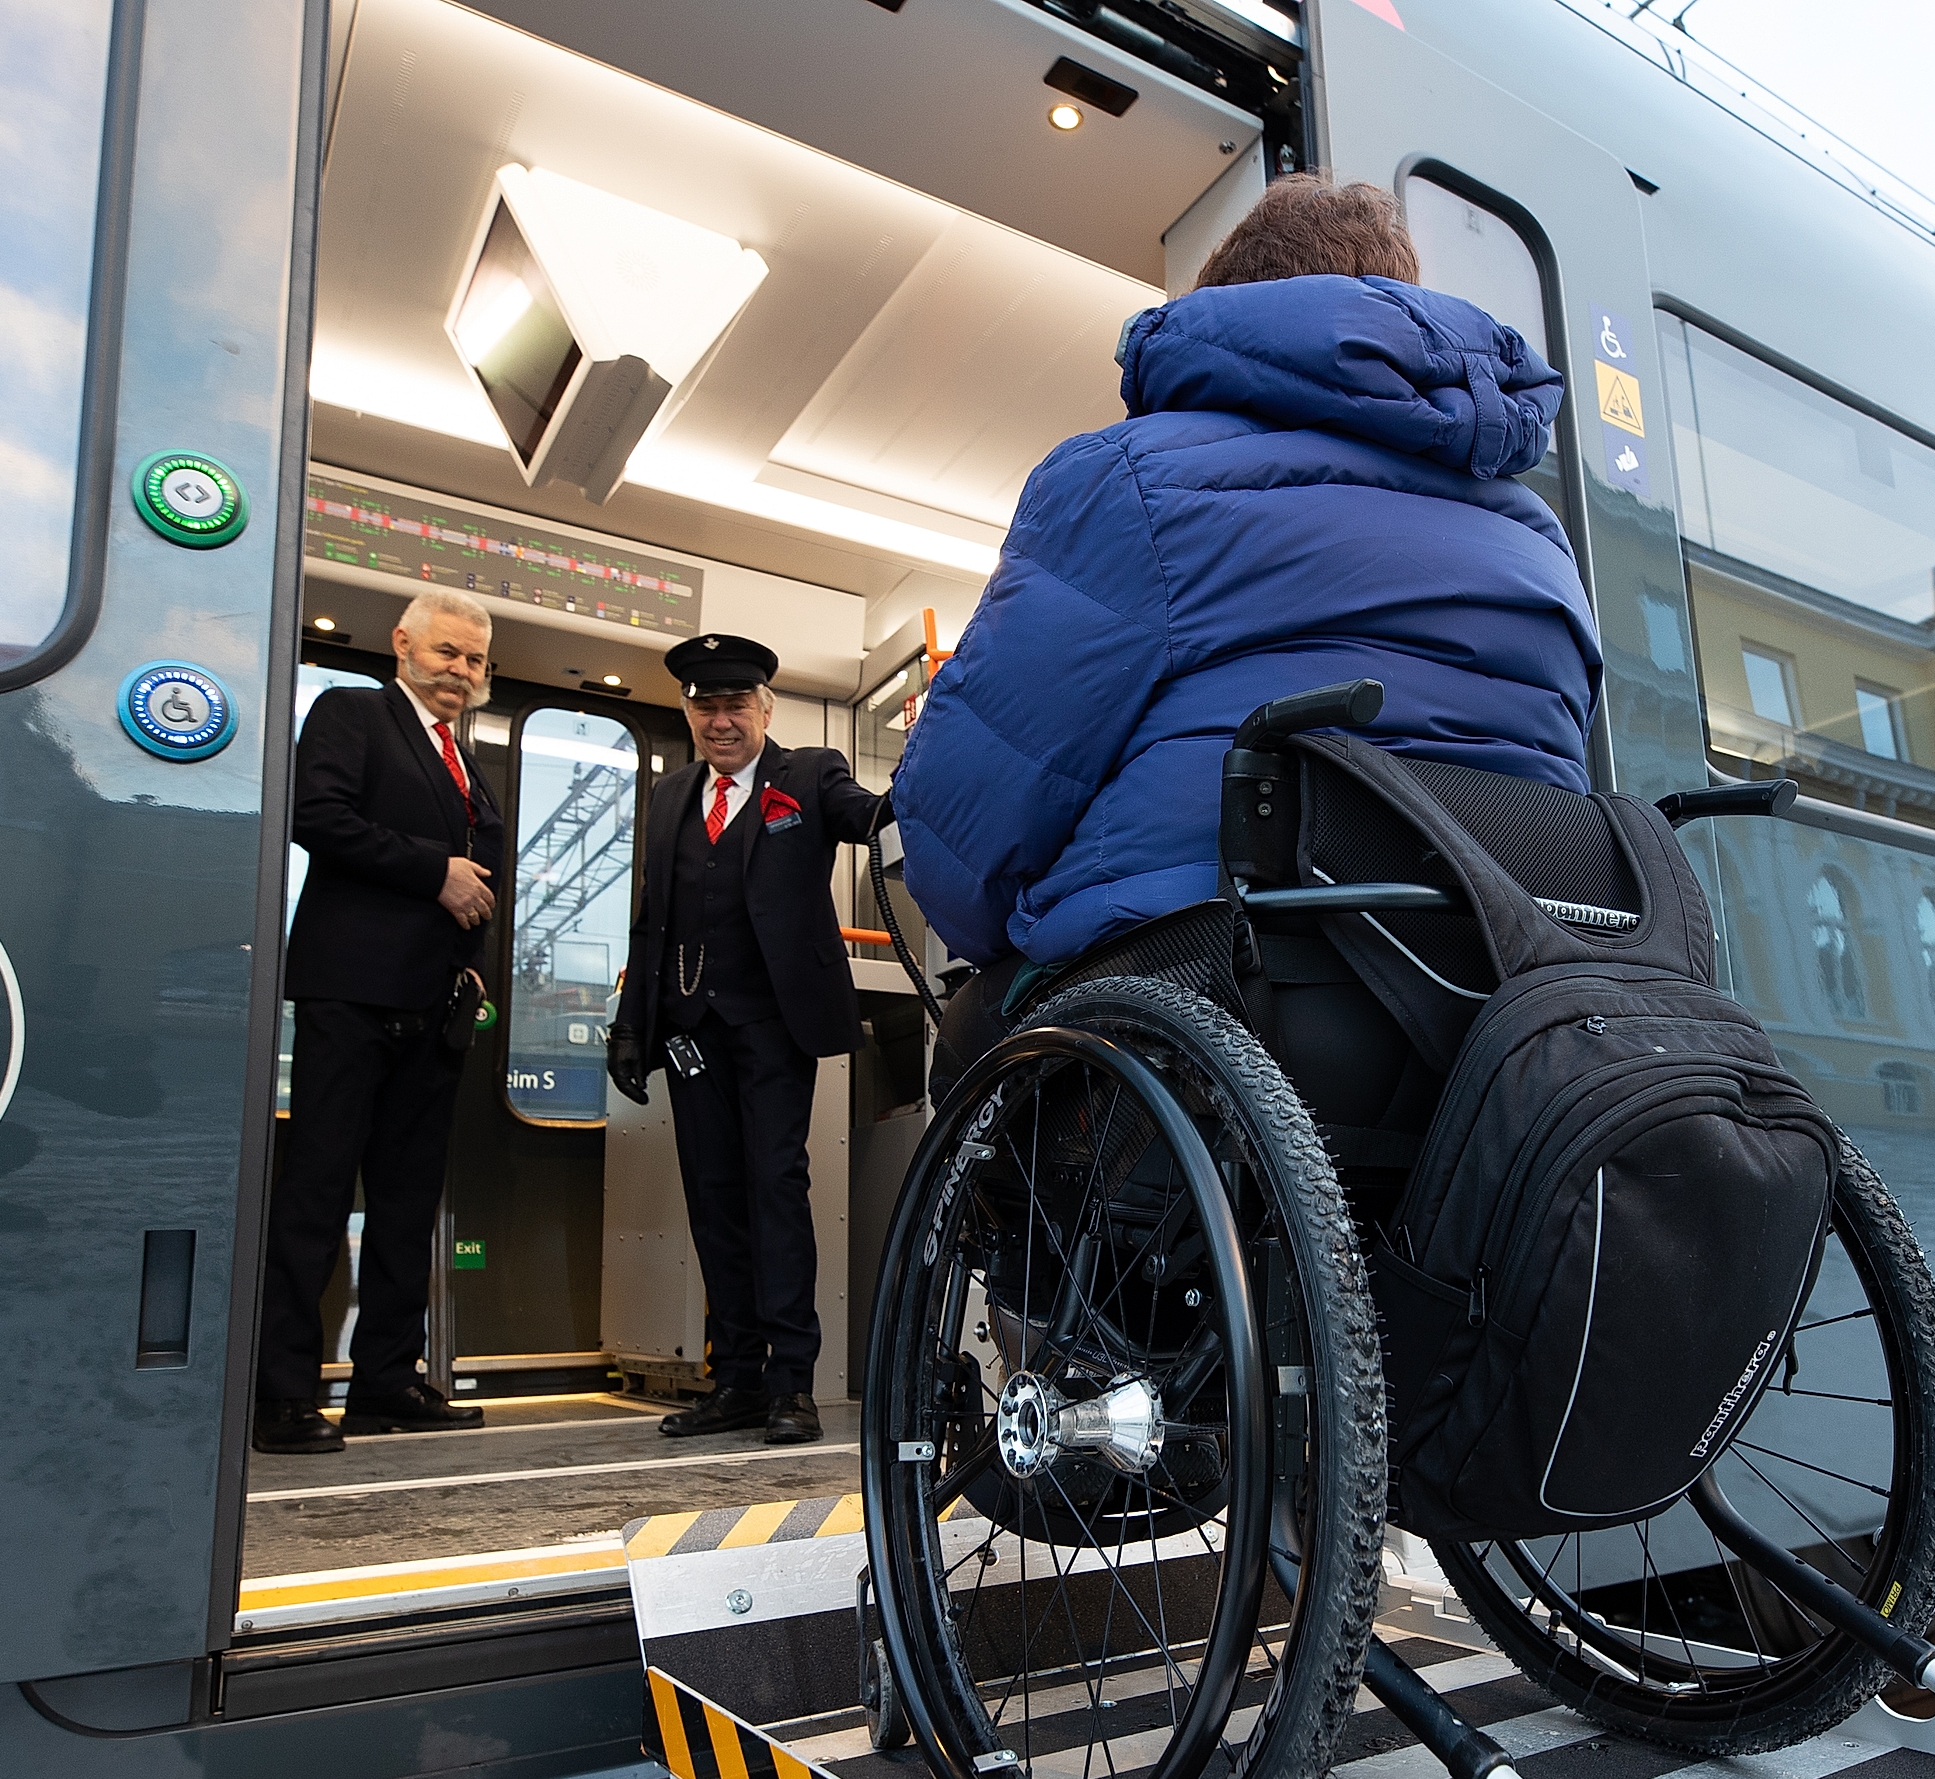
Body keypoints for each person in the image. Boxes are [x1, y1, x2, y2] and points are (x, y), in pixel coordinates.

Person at [887, 171, 1600, 1029]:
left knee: (966, 1034)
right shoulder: (1542, 545)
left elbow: (962, 836)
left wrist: (992, 930)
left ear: (1227, 311)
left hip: (1213, 1006)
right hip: (1495, 1021)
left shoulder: (1130, 483)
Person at [606, 633, 892, 1446]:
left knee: (774, 1188)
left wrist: (926, 783)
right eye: (705, 704)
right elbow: (651, 919)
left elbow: (868, 817)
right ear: (687, 711)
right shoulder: (669, 796)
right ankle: (733, 1377)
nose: (719, 720)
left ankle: (790, 1383)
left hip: (773, 1025)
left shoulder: (809, 775)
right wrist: (634, 1028)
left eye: (735, 705)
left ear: (766, 709)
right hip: (690, 1031)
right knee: (714, 1199)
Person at [253, 590, 509, 1456]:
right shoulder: (351, 714)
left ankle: (386, 1381)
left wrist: (474, 969)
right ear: (402, 643)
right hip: (351, 994)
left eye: (474, 660)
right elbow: (315, 818)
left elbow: (489, 880)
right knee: (316, 1196)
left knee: (406, 1204)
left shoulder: (469, 762)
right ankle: (282, 1393)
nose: (460, 671)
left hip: (436, 1008)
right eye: (447, 652)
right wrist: (432, 872)